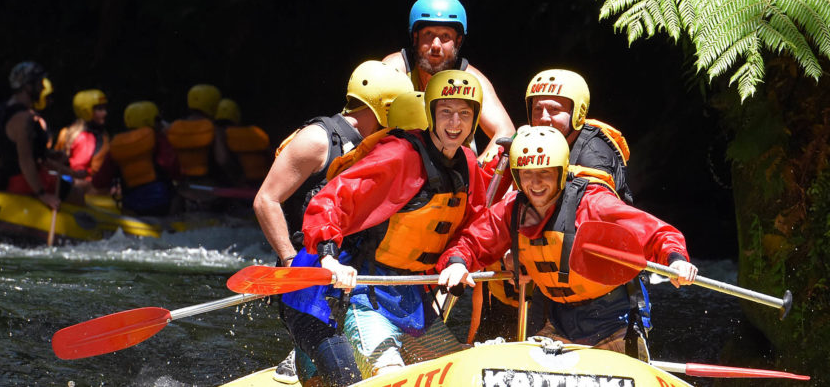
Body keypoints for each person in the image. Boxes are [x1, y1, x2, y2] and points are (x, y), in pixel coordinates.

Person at [435, 125, 699, 360]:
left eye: (545, 173)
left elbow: (656, 233)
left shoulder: (593, 203)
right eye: (526, 174)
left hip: (611, 317)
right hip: (558, 317)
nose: (535, 183)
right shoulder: (512, 209)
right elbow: (473, 240)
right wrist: (458, 263)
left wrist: (676, 259)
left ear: (561, 172)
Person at [291, 70, 489, 378]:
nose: (455, 123)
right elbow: (333, 200)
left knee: (459, 375)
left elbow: (474, 229)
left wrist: (459, 260)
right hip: (363, 289)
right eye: (446, 112)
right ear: (430, 113)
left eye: (464, 114)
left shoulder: (468, 164)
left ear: (475, 119)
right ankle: (313, 360)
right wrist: (328, 255)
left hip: (410, 298)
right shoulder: (400, 155)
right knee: (390, 374)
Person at [253, 60, 413, 385]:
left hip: (350, 282)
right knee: (343, 377)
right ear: (386, 107)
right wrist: (287, 261)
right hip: (306, 282)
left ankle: (304, 360)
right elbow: (265, 199)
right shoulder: (318, 139)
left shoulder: (381, 145)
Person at [382, 0, 515, 155]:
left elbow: (506, 132)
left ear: (458, 41)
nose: (436, 45)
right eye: (428, 34)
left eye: (445, 36)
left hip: (454, 172)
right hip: (400, 166)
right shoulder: (395, 68)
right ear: (415, 37)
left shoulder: (470, 78)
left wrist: (476, 173)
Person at [526, 69, 632, 204]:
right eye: (538, 109)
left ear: (578, 113)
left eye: (555, 110)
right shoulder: (530, 143)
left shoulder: (596, 157)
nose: (543, 118)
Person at [0, 61, 81, 209]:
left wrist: (49, 153)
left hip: (2, 178)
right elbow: (26, 160)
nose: (43, 87)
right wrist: (42, 194)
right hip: (22, 181)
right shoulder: (24, 119)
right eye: (39, 83)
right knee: (78, 195)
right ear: (28, 86)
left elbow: (9, 147)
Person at [92, 101, 178, 216]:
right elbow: (174, 169)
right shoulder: (159, 139)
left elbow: (99, 182)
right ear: (151, 120)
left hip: (132, 206)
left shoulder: (117, 145)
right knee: (179, 195)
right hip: (163, 203)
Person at [56, 89, 110, 191]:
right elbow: (79, 171)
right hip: (87, 190)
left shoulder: (68, 131)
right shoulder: (85, 138)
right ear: (86, 111)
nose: (105, 113)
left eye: (104, 108)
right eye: (99, 109)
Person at [214, 98, 272, 186]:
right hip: (262, 181)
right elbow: (271, 155)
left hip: (239, 184)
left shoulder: (219, 134)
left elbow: (223, 160)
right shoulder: (256, 132)